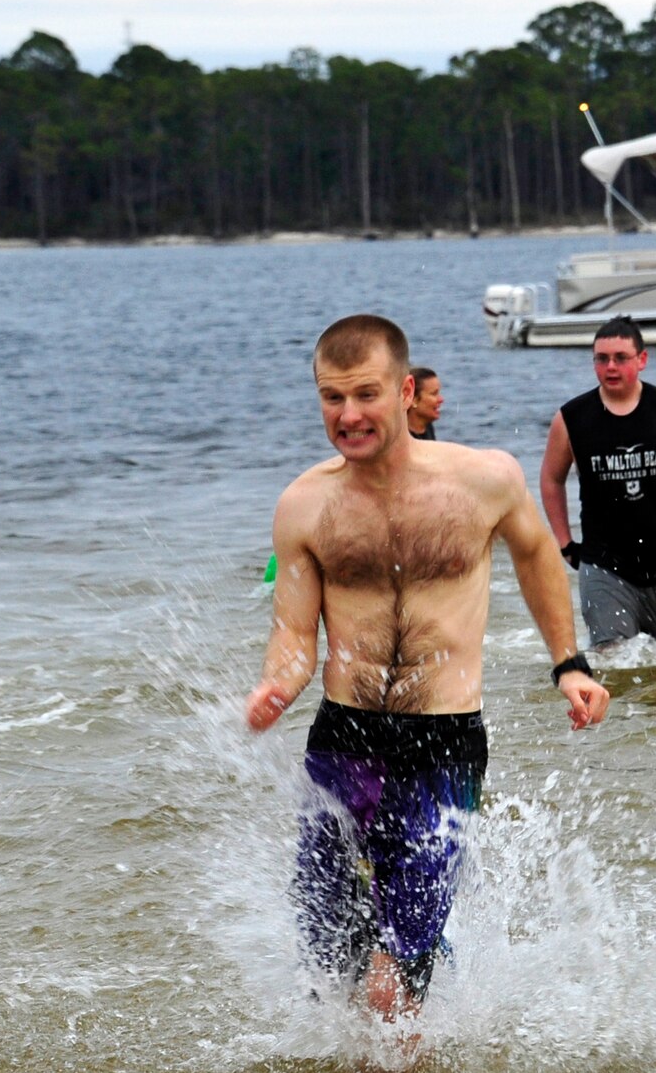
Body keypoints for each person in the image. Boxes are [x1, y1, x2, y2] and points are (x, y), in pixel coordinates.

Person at [245, 314, 609, 1024]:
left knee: (391, 983)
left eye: (365, 394)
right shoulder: (303, 506)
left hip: (442, 746)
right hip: (343, 745)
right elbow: (294, 631)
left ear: (406, 391)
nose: (348, 415)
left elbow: (537, 555)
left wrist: (569, 662)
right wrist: (278, 687)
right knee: (332, 966)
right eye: (331, 398)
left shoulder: (484, 479)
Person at [540, 317, 656, 648]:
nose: (610, 367)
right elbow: (551, 478)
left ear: (642, 360)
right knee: (610, 656)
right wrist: (564, 541)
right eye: (601, 359)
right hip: (604, 562)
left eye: (620, 357)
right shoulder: (572, 418)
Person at [406, 365, 443, 440]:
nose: (441, 399)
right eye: (434, 394)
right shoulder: (399, 440)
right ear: (413, 400)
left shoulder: (427, 427)